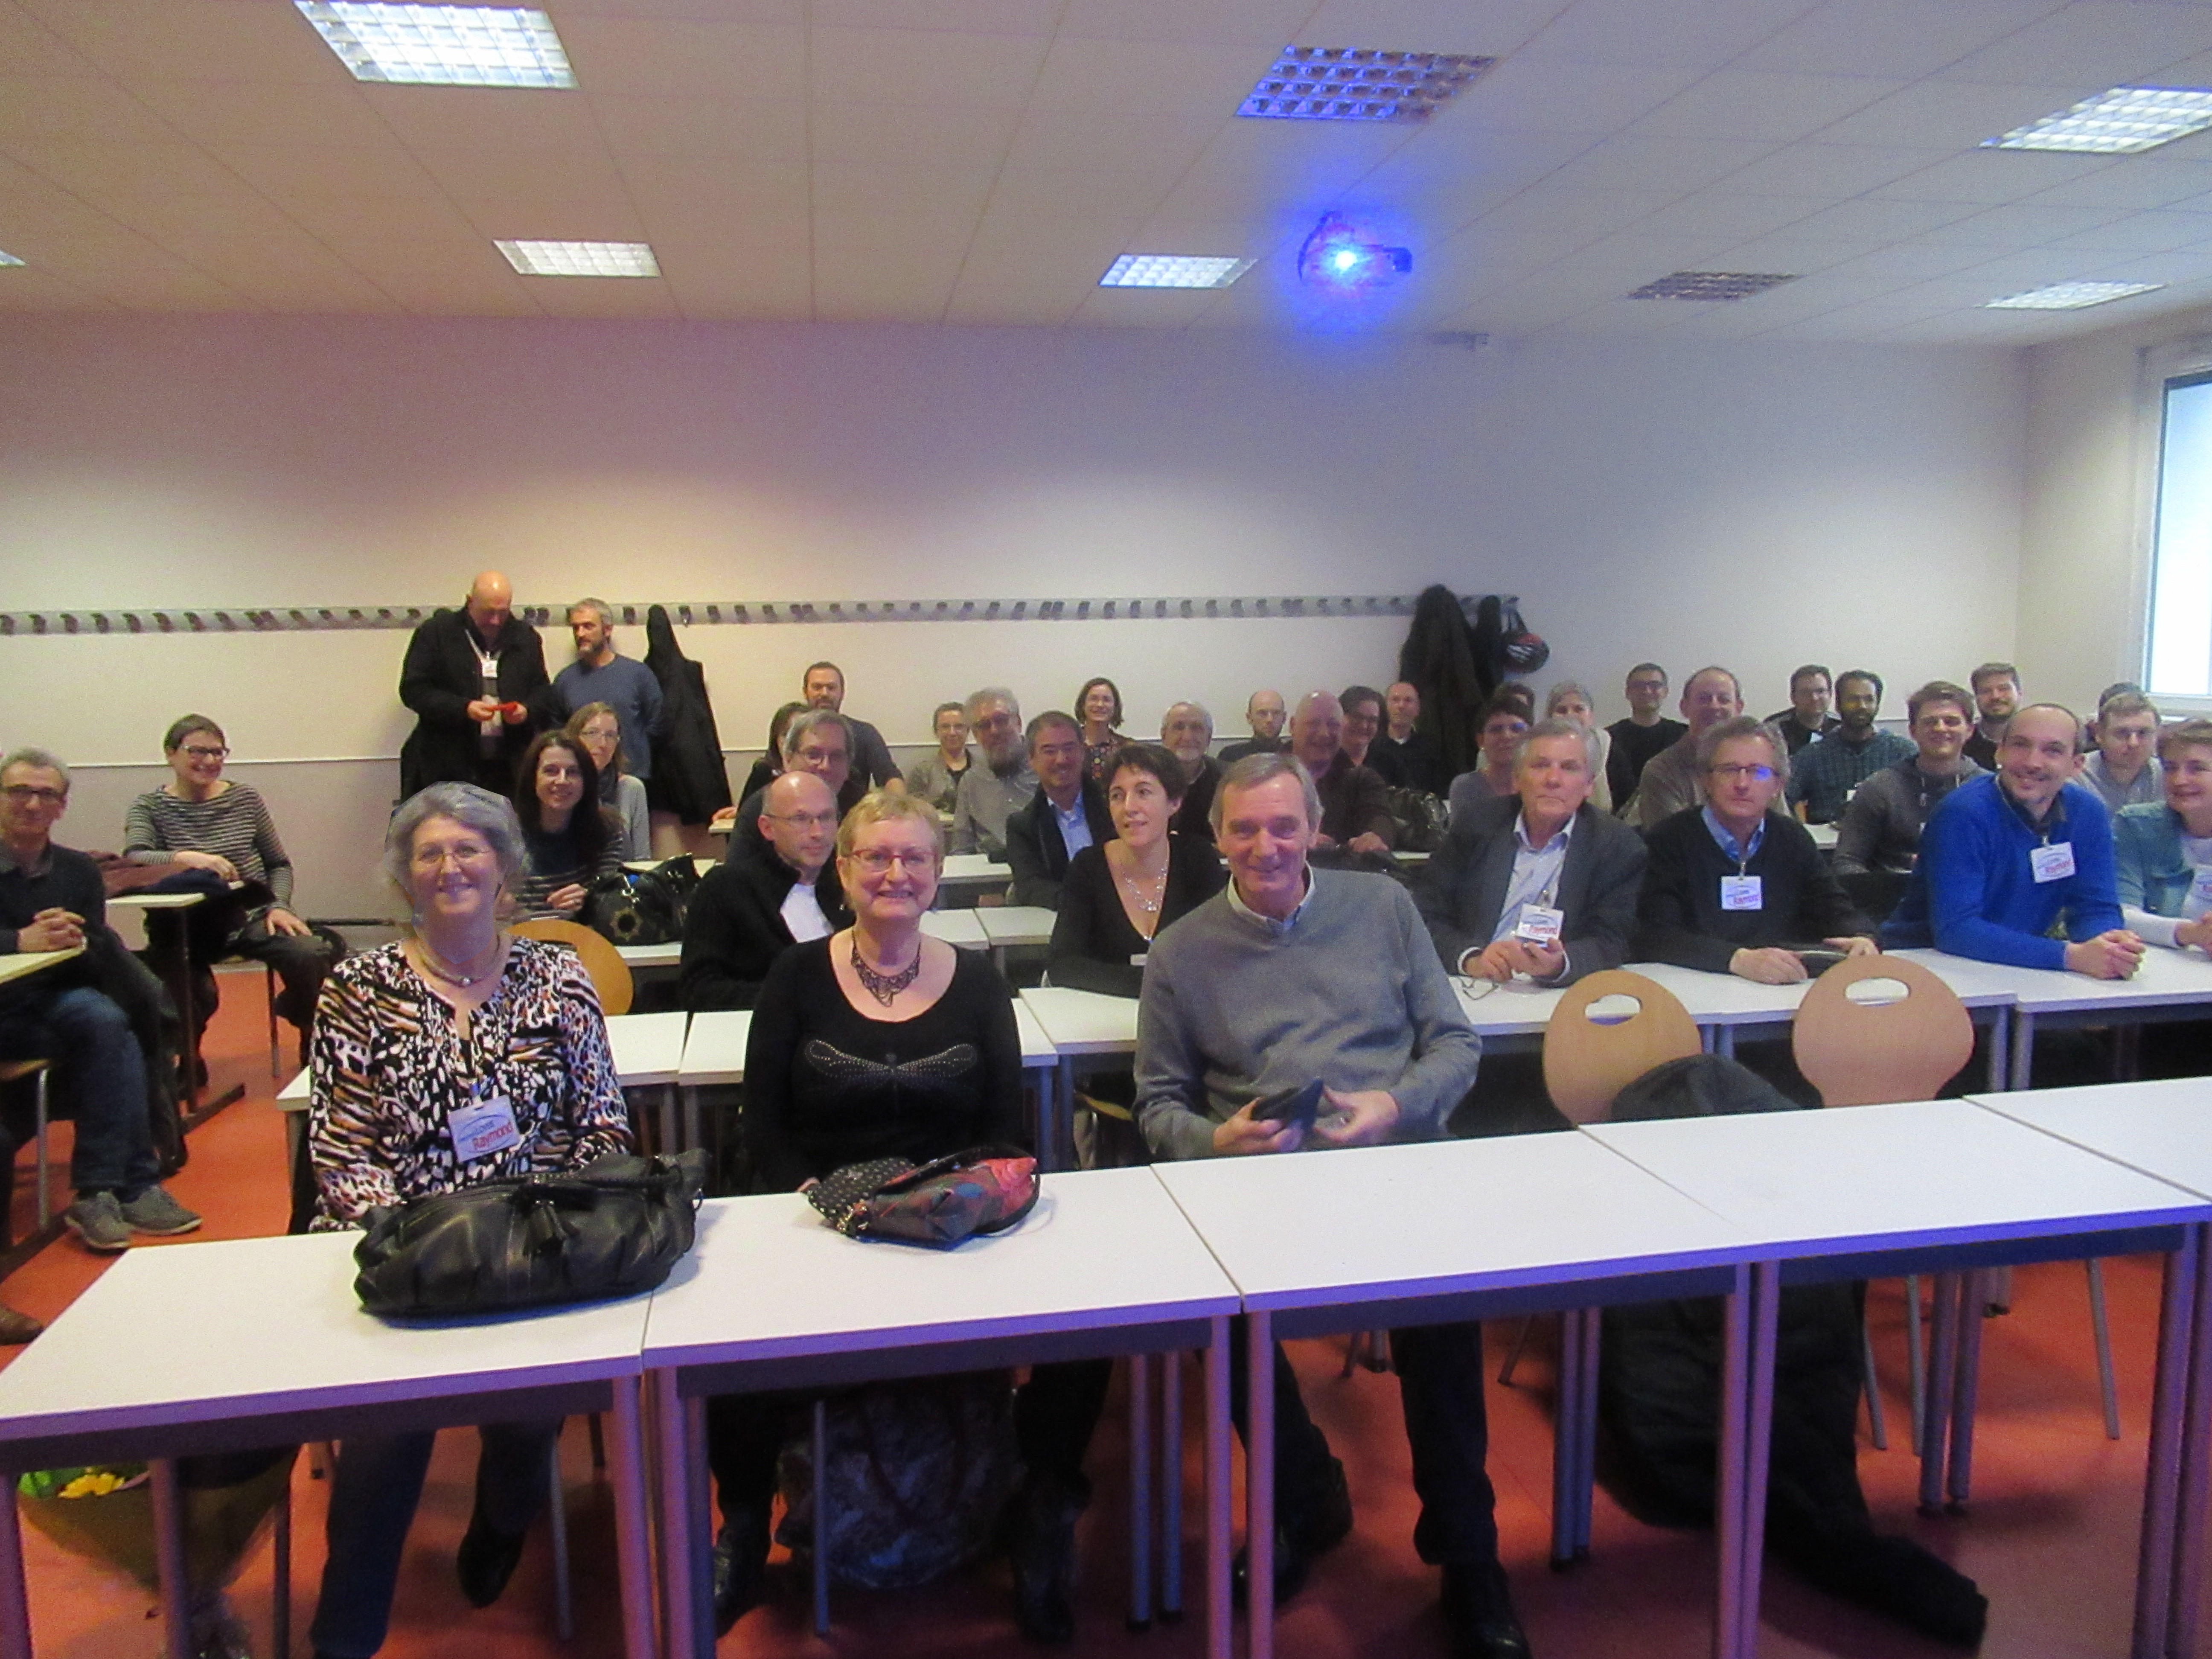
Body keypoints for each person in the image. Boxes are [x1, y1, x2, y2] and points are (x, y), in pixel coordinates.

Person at [1133, 754, 1524, 1657]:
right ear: (1215, 837)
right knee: (1224, 1320)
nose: (1265, 846)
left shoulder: (1382, 906)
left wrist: (1396, 1104)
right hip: (1261, 1181)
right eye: (1243, 829)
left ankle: (1467, 1550)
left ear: (1314, 828)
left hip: (1393, 1164)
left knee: (1441, 1313)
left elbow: (1455, 1043)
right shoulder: (1181, 950)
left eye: (1284, 826)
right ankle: (1301, 1494)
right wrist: (1215, 1139)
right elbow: (1156, 1106)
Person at [306, 782, 631, 1659]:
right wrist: (415, 1245)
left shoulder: (556, 975)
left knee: (528, 1418)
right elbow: (342, 1152)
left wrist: (540, 1224)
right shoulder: (357, 987)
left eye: (468, 850)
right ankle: (344, 1637)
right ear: (404, 876)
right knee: (383, 1442)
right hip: (405, 1252)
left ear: (502, 868)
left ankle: (503, 1515)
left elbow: (603, 1127)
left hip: (534, 1244)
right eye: (430, 853)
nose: (450, 866)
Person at [710, 792, 1030, 1634]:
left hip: (949, 1227)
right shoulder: (795, 977)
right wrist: (826, 1208)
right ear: (843, 871)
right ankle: (742, 1524)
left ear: (937, 873)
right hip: (818, 1220)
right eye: (876, 857)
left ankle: (1037, 1515)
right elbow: (762, 1125)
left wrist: (950, 1214)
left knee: (1083, 1332)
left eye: (914, 858)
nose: (896, 873)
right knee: (724, 1335)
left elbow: (1005, 1132)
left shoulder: (979, 983)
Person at [0, 748, 198, 1272]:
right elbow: (22, 945)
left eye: (46, 794)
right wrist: (19, 941)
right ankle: (129, 1183)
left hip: (54, 1000)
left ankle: (99, 1189)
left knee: (107, 1020)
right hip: (4, 1008)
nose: (33, 804)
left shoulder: (77, 871)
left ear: (62, 806)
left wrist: (74, 938)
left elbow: (92, 959)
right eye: (20, 791)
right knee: (113, 1031)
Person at [122, 714, 338, 1058]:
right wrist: (186, 858)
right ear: (171, 754)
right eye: (197, 751)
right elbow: (135, 857)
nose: (209, 761)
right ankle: (188, 1059)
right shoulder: (149, 806)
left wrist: (279, 905)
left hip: (250, 917)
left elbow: (278, 864)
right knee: (184, 986)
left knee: (309, 953)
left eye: (217, 752)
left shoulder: (245, 799)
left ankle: (311, 1041)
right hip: (184, 927)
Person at [1882, 704, 2144, 978]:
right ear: (2000, 752)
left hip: (2020, 965)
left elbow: (2095, 907)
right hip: (1926, 964)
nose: (2032, 763)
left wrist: (2111, 946)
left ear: (2076, 765)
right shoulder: (1963, 813)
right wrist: (2070, 957)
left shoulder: (2088, 813)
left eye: (2053, 751)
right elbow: (1956, 929)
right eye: (2021, 745)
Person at [1636, 719, 1875, 984]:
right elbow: (1656, 934)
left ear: (1778, 785)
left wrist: (1860, 937)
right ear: (1706, 780)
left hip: (1781, 988)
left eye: (1757, 772)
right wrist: (1736, 959)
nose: (1742, 784)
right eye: (1729, 770)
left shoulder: (1792, 838)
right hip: (1697, 986)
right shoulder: (1668, 840)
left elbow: (1833, 908)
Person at [1416, 719, 1645, 985]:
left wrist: (1559, 964)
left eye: (1569, 768)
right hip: (1474, 984)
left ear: (1589, 785)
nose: (1553, 780)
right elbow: (1425, 912)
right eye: (1540, 766)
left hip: (1559, 993)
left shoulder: (1617, 846)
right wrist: (1471, 958)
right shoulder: (1477, 825)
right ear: (1517, 779)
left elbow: (1612, 939)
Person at [1048, 743, 1226, 999]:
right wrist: (1157, 985)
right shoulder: (1088, 866)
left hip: (1186, 1014)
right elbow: (1063, 964)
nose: (1128, 807)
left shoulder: (1198, 859)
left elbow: (1222, 955)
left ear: (1174, 802)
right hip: (1104, 1014)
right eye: (1117, 796)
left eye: (1143, 792)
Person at [681, 772, 850, 1011]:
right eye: (801, 819)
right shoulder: (726, 888)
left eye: (826, 817)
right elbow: (699, 990)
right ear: (767, 828)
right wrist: (793, 999)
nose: (818, 833)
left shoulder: (852, 885)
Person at [397, 570, 548, 797]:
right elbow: (414, 690)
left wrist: (526, 711)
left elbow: (544, 692)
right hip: (446, 767)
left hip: (509, 769)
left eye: (503, 612)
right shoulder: (436, 633)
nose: (496, 621)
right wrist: (463, 708)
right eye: (489, 612)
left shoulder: (525, 638)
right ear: (470, 602)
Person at [1832, 681, 1985, 878]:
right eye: (1930, 722)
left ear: (1970, 730)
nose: (1941, 728)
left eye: (1951, 722)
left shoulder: (1991, 790)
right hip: (1894, 891)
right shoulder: (1880, 789)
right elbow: (1847, 861)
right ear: (1913, 731)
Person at [2115, 719, 2212, 952]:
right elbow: (2119, 913)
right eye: (2170, 768)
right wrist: (2190, 933)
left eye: (2197, 768)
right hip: (2155, 963)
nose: (2180, 780)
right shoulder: (2135, 825)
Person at [1005, 712, 1116, 909]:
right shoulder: (1023, 827)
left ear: (1083, 752)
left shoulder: (1114, 810)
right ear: (1031, 759)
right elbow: (1031, 887)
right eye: (1049, 751)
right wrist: (1084, 905)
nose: (1061, 760)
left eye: (1069, 748)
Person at [722, 709, 864, 863]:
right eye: (813, 755)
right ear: (788, 759)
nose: (825, 766)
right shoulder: (760, 809)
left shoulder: (862, 808)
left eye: (836, 756)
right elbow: (737, 874)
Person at [509, 731, 623, 919]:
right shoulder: (504, 835)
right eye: (551, 771)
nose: (562, 781)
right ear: (533, 778)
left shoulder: (608, 830)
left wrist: (589, 900)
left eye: (573, 772)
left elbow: (609, 899)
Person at [549, 599, 663, 786]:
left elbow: (657, 725)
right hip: (581, 781)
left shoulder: (638, 674)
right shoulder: (565, 680)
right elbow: (560, 733)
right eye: (576, 628)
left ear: (607, 630)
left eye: (588, 627)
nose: (580, 634)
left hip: (631, 779)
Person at [1785, 669, 1915, 824]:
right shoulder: (1812, 756)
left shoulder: (1903, 753)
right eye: (1853, 700)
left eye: (1869, 700)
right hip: (1827, 837)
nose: (1862, 706)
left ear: (1878, 704)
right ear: (1838, 704)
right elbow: (1784, 798)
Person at [1627, 666, 1744, 832]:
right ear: (1684, 707)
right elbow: (1674, 840)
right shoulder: (1662, 770)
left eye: (1724, 700)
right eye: (1704, 699)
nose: (1714, 706)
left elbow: (1778, 829)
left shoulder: (1758, 763)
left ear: (1739, 708)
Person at [1287, 691, 1395, 856]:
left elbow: (1380, 818)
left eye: (1334, 725)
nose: (1324, 733)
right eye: (1314, 724)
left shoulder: (1362, 780)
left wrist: (1375, 837)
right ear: (1293, 726)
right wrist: (1301, 838)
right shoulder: (1268, 777)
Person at [950, 687, 1038, 858]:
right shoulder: (971, 782)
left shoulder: (1047, 769)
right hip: (990, 872)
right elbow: (961, 848)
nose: (994, 731)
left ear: (1019, 723)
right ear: (975, 734)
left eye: (1001, 720)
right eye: (984, 725)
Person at [564, 702, 650, 861]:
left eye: (610, 736)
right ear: (575, 737)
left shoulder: (631, 788)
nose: (603, 744)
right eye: (592, 733)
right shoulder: (562, 786)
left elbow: (642, 859)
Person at [802, 661, 901, 789]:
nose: (825, 693)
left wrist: (898, 800)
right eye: (817, 687)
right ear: (805, 692)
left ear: (842, 693)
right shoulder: (792, 732)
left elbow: (889, 776)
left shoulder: (865, 733)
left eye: (831, 688)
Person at [1606, 663, 1685, 809]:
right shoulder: (1608, 739)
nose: (1647, 691)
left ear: (1666, 692)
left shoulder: (1684, 736)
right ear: (1628, 693)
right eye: (1639, 686)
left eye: (1655, 686)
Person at [1446, 696, 1531, 820]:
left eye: (1517, 729)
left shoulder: (1541, 783)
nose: (1507, 736)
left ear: (1532, 737)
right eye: (1496, 730)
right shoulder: (1466, 787)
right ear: (1481, 740)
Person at [2083, 692, 2163, 814]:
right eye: (2122, 733)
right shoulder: (2074, 775)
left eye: (2143, 733)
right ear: (2099, 734)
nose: (2133, 743)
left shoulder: (2167, 775)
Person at [1542, 681, 1613, 812]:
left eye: (1579, 709)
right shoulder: (1538, 749)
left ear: (1591, 715)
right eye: (1562, 711)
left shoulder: (1605, 744)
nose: (1570, 715)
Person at [1161, 701, 1223, 840]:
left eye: (1197, 728)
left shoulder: (1226, 779)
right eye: (1179, 727)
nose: (1188, 737)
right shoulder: (1147, 778)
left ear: (1209, 737)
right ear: (1164, 736)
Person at [1374, 681, 1447, 797]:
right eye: (1395, 700)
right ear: (1385, 707)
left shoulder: (1431, 749)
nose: (1401, 706)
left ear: (1418, 709)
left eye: (1408, 701)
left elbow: (1440, 793)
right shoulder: (1372, 747)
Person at [904, 701, 975, 815]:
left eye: (959, 726)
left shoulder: (985, 768)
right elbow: (913, 813)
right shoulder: (922, 773)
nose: (952, 733)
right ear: (936, 732)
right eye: (945, 727)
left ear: (968, 730)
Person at [736, 701, 807, 804]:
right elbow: (747, 810)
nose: (792, 743)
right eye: (786, 735)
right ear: (776, 739)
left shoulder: (820, 770)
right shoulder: (764, 770)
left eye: (799, 736)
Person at [1764, 664, 1839, 757]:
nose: (1814, 698)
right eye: (1806, 693)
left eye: (1820, 691)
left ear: (1830, 694)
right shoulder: (1773, 729)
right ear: (1793, 697)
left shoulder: (1841, 726)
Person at [1963, 663, 2020, 770]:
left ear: (2019, 693)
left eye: (2003, 689)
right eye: (1986, 691)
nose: (1995, 696)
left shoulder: (2037, 741)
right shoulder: (1962, 742)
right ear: (1976, 698)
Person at [1075, 676, 1124, 783]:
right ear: (1083, 705)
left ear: (1115, 707)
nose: (1100, 705)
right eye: (1094, 699)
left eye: (1106, 700)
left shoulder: (1126, 749)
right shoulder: (1070, 746)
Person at [1220, 690, 1288, 763]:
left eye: (1276, 713)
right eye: (1262, 713)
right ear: (1249, 718)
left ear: (1284, 718)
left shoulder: (1293, 757)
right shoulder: (1230, 756)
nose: (1270, 720)